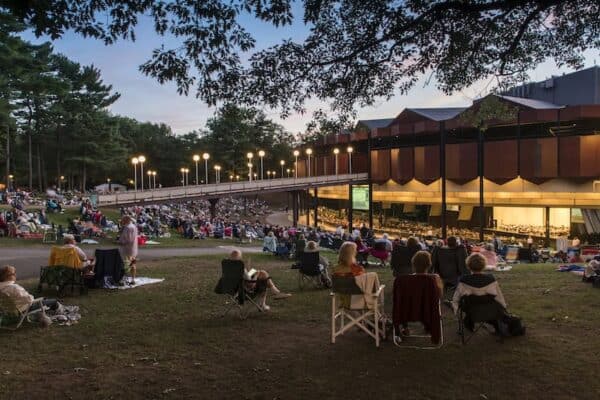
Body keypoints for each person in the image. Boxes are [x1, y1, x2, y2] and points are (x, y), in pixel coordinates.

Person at [452, 253, 507, 333]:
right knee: (493, 304)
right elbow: (499, 297)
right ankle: (496, 325)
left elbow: (456, 298)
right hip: (490, 310)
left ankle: (468, 322)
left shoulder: (464, 280)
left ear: (468, 265)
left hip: (471, 310)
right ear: (483, 265)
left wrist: (455, 309)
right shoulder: (490, 279)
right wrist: (504, 307)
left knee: (466, 303)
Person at [118, 215, 138, 284]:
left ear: (126, 220)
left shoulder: (128, 227)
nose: (122, 221)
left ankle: (124, 279)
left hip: (127, 249)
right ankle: (133, 279)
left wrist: (120, 242)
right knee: (132, 264)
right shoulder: (133, 226)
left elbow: (128, 240)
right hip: (133, 248)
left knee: (126, 264)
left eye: (123, 220)